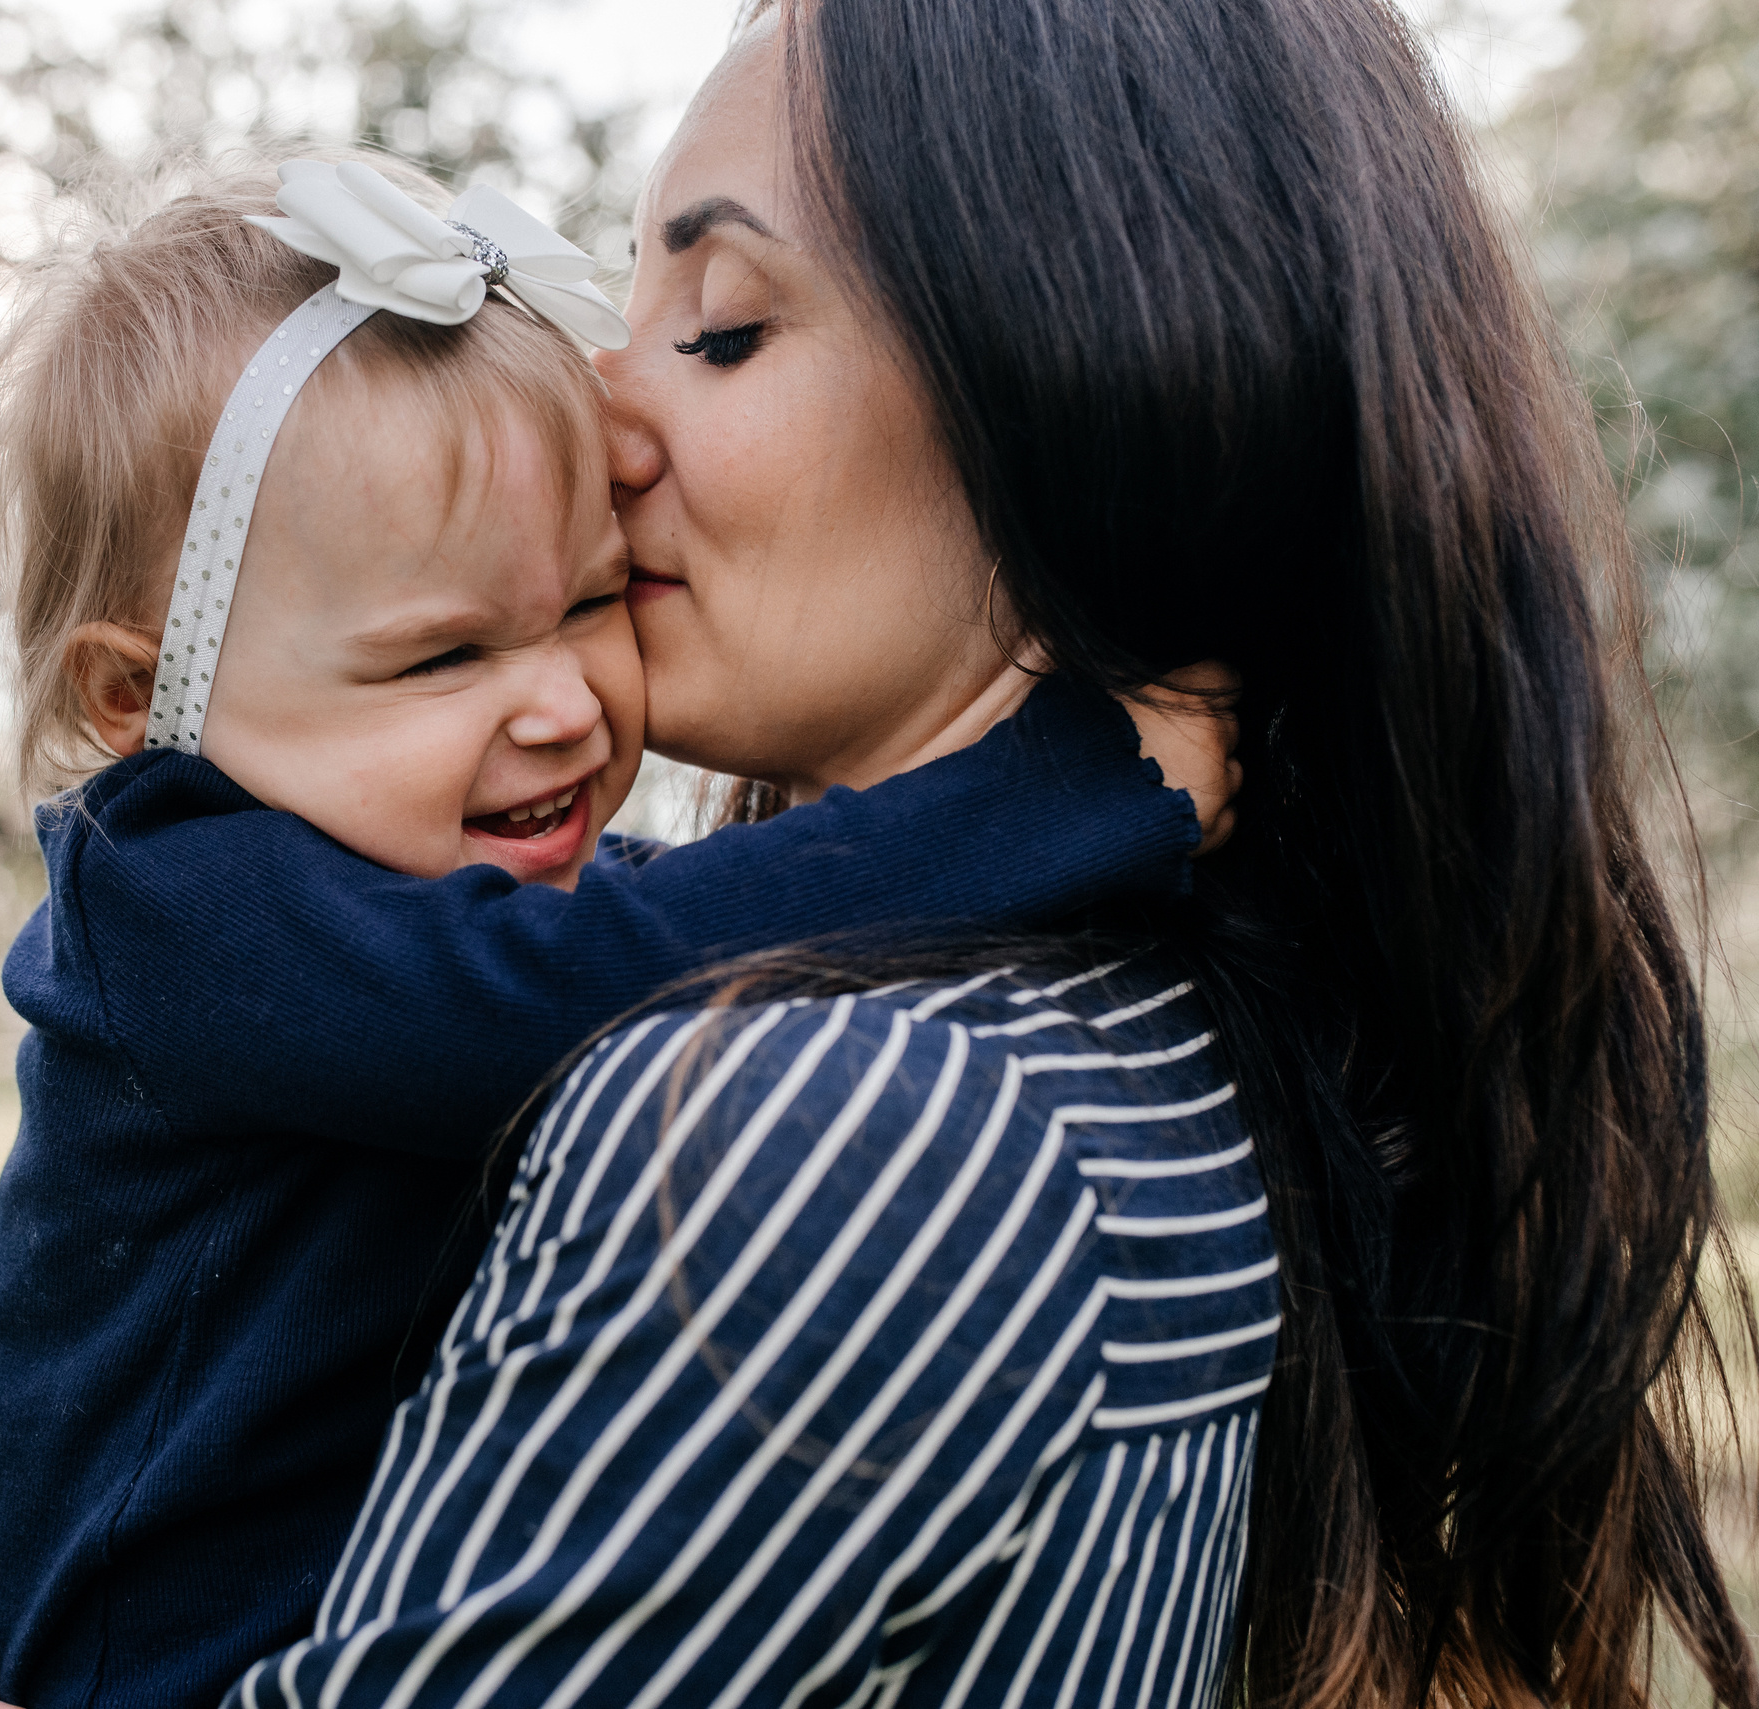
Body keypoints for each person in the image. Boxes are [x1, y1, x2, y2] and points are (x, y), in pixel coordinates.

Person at [206, 0, 1755, 1703]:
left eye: (722, 331)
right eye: (618, 311)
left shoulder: (835, 1132)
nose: (597, 414)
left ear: (1097, 389)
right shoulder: (1163, 1042)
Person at [0, 150, 1236, 1709]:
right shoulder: (175, 899)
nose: (561, 703)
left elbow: (643, 925)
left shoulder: (394, 880)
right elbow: (578, 982)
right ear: (143, 695)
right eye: (442, 656)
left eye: (592, 603)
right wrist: (1065, 792)